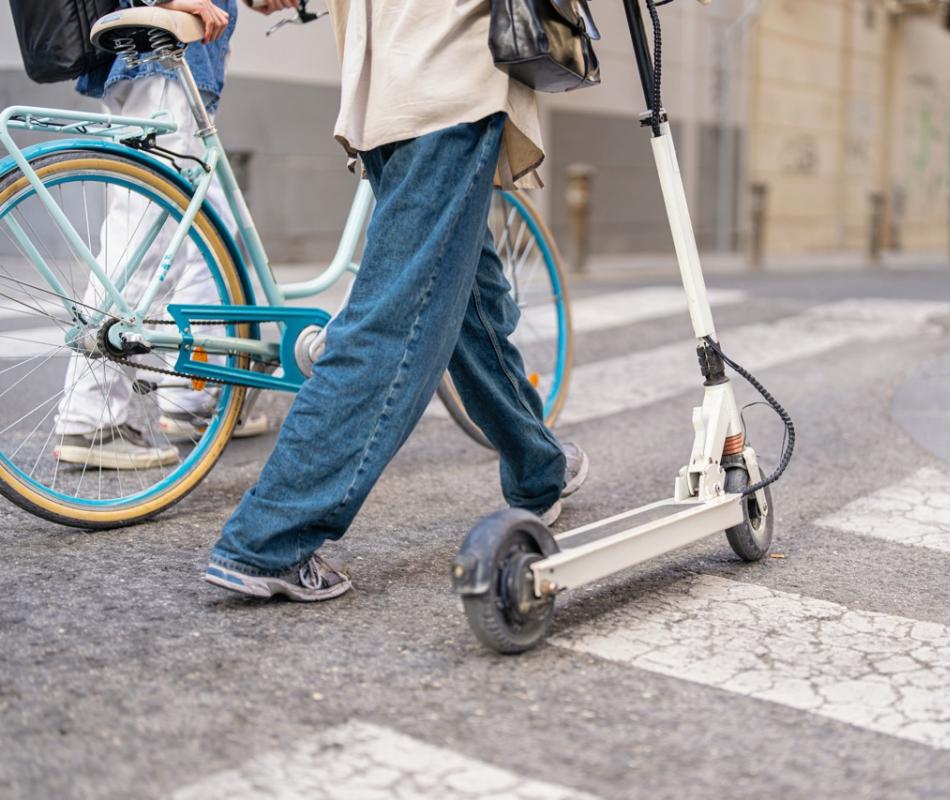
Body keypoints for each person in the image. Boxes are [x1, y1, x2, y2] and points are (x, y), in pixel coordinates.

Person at [202, 0, 589, 601]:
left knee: (468, 300)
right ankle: (269, 538)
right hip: (446, 85)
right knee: (395, 324)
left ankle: (539, 468)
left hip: (385, 87)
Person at [53, 0, 269, 471]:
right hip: (159, 58)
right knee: (144, 236)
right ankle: (91, 417)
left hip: (169, 60)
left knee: (214, 236)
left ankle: (191, 390)